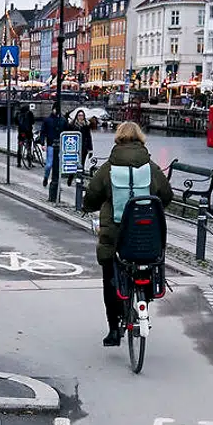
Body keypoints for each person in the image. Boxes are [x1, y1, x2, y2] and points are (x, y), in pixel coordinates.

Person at [80, 122, 174, 347]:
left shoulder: (108, 168)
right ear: (140, 139)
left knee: (110, 278)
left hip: (115, 235)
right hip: (146, 235)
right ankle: (143, 303)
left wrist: (87, 206)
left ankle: (113, 330)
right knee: (147, 266)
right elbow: (167, 196)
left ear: (118, 139)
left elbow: (92, 196)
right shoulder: (151, 168)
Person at [65, 110, 94, 187]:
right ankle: (70, 177)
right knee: (74, 164)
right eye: (79, 115)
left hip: (83, 148)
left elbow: (89, 137)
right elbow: (67, 134)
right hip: (74, 147)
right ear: (76, 116)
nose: (81, 117)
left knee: (81, 165)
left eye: (82, 115)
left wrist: (90, 149)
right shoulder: (72, 125)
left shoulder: (86, 125)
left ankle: (79, 180)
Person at [39, 106, 63, 188]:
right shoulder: (47, 120)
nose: (56, 111)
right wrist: (42, 144)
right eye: (55, 109)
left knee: (58, 165)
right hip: (50, 145)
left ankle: (57, 182)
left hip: (60, 146)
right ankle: (46, 177)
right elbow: (43, 132)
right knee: (49, 164)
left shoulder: (62, 120)